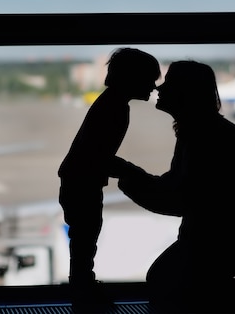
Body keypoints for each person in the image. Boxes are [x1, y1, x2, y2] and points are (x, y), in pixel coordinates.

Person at [109, 60, 235, 313]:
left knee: (165, 283)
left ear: (185, 93)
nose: (160, 89)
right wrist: (132, 175)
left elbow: (180, 200)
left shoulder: (202, 137)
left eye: (169, 83)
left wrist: (129, 178)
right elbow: (181, 190)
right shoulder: (203, 131)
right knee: (168, 280)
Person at [58, 47, 160, 310]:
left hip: (79, 182)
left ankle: (84, 291)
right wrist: (134, 172)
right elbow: (99, 157)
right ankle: (83, 295)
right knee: (84, 243)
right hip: (82, 185)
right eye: (150, 78)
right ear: (132, 78)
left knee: (83, 243)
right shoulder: (114, 108)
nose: (154, 86)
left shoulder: (112, 103)